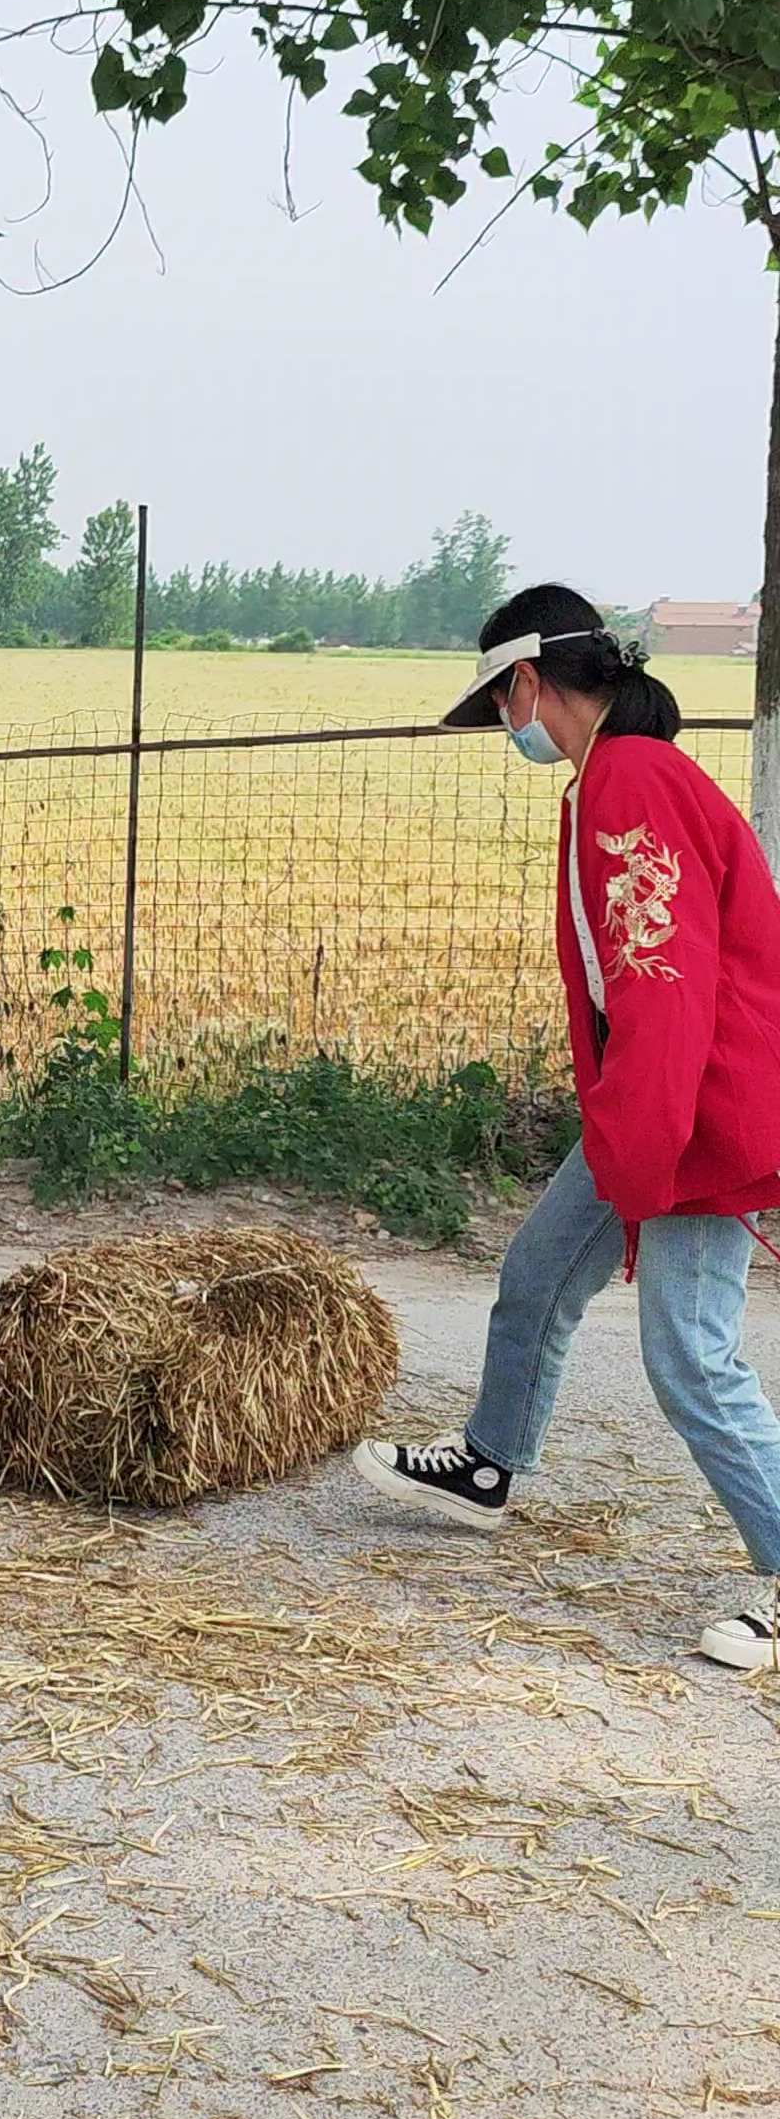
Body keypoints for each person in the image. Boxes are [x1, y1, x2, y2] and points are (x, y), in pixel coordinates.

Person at [353, 582, 780, 1672]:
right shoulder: (615, 778)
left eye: (501, 700)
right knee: (540, 1269)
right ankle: (490, 1462)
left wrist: (642, 1157)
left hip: (695, 1113)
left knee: (690, 1353)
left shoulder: (633, 783)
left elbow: (663, 983)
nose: (505, 724)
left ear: (532, 680)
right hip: (654, 1101)